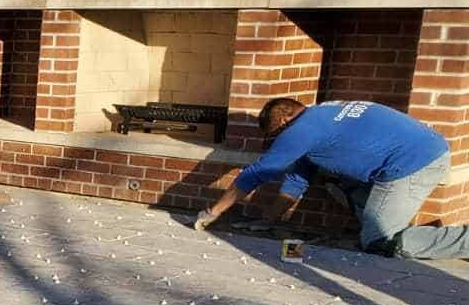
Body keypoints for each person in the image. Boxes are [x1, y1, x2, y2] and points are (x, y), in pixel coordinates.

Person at [193, 98, 469, 260]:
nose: (278, 142)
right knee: (333, 182)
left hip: (412, 163)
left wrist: (212, 212)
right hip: (420, 152)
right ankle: (379, 219)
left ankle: (461, 240)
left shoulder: (302, 128)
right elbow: (297, 179)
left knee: (378, 242)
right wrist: (270, 220)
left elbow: (258, 172)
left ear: (286, 119)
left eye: (276, 136)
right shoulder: (323, 116)